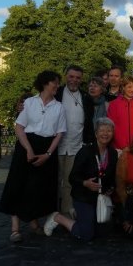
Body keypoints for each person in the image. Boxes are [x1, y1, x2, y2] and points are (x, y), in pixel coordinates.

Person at [0, 70, 67, 243]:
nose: (57, 86)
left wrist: (48, 154)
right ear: (45, 83)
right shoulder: (29, 102)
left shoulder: (59, 107)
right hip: (27, 145)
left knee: (37, 188)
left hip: (46, 147)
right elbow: (19, 127)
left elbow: (59, 133)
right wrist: (28, 149)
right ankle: (15, 228)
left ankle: (34, 223)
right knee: (18, 184)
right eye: (55, 83)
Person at [43, 118, 119, 241]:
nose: (105, 133)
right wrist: (85, 183)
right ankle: (58, 217)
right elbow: (72, 177)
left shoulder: (113, 153)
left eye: (109, 130)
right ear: (96, 133)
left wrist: (110, 188)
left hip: (100, 198)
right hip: (83, 196)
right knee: (86, 234)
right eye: (102, 130)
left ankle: (78, 215)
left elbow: (111, 177)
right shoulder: (86, 151)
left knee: (101, 234)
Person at [55, 65, 95, 219]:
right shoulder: (56, 93)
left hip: (76, 145)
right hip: (56, 146)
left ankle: (66, 212)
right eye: (71, 77)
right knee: (55, 180)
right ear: (66, 76)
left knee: (70, 181)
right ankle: (52, 211)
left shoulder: (86, 97)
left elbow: (88, 122)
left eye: (78, 78)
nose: (74, 80)